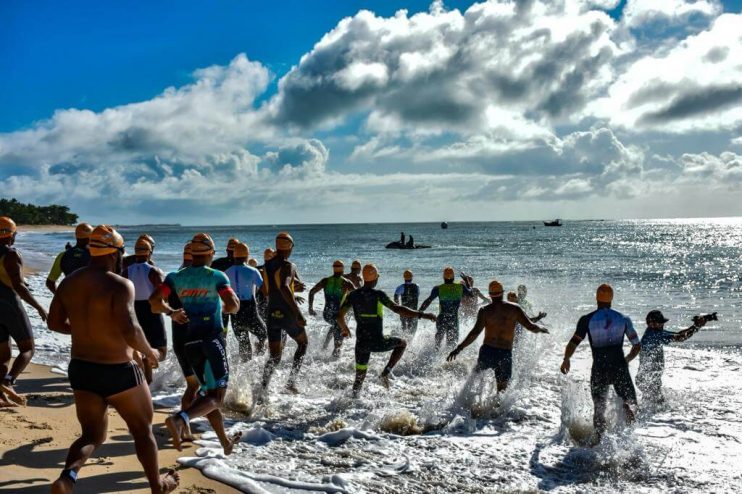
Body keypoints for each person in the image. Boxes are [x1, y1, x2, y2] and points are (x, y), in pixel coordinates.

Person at [47, 225, 179, 494]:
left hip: (82, 369)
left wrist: (86, 328)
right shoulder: (120, 284)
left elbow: (54, 323)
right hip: (119, 371)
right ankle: (158, 485)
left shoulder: (69, 282)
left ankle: (67, 478)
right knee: (142, 431)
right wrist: (151, 352)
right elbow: (131, 329)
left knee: (92, 435)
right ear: (116, 253)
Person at [149, 233, 241, 455]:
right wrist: (227, 308)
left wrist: (172, 313)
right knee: (217, 397)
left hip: (189, 340)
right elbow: (233, 304)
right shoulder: (217, 276)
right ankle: (180, 418)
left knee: (208, 395)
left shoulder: (175, 277)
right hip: (212, 339)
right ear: (210, 253)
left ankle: (224, 442)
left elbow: (154, 303)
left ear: (191, 253)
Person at [337, 264, 436, 396]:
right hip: (378, 342)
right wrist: (422, 315)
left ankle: (350, 405)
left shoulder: (353, 295)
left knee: (359, 379)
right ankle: (385, 373)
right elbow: (398, 309)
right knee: (402, 343)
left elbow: (339, 315)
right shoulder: (379, 295)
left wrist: (345, 329)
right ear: (375, 279)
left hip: (361, 344)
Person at [560, 284, 641, 444]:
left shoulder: (587, 319)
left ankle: (598, 440)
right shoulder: (623, 318)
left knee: (599, 407)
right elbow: (636, 346)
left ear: (596, 298)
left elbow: (574, 342)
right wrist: (626, 360)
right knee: (630, 403)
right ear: (612, 298)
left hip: (599, 368)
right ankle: (629, 440)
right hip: (619, 367)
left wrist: (566, 359)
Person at [447, 281, 549, 392]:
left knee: (475, 379)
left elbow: (475, 333)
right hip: (504, 353)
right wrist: (541, 329)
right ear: (502, 293)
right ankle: (497, 408)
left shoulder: (484, 310)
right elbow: (530, 326)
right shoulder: (515, 309)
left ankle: (465, 404)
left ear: (490, 294)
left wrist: (459, 348)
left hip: (487, 351)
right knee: (502, 389)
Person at [0, 217, 47, 405]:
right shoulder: (11, 254)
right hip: (9, 304)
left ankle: (1, 397)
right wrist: (39, 307)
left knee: (2, 355)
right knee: (28, 348)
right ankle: (8, 381)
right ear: (12, 233)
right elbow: (19, 286)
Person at [258, 232, 308, 398]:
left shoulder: (267, 265)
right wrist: (298, 313)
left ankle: (263, 388)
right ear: (290, 247)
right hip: (287, 313)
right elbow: (285, 287)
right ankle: (291, 382)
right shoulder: (289, 266)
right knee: (303, 344)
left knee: (274, 356)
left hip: (271, 313)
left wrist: (292, 287)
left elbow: (265, 291)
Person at [636, 310, 707, 404]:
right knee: (657, 404)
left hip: (646, 378)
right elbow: (680, 337)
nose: (663, 325)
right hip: (648, 379)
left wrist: (695, 326)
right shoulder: (655, 335)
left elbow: (678, 334)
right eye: (660, 323)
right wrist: (696, 326)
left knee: (652, 404)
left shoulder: (652, 332)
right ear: (652, 324)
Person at [123, 237, 167, 383]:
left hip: (133, 309)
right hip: (151, 310)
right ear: (149, 253)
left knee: (141, 345)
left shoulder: (126, 271)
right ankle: (148, 361)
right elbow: (164, 295)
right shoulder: (154, 271)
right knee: (161, 350)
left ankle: (146, 382)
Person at [169, 242, 199, 440]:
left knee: (194, 385)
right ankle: (183, 424)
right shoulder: (197, 278)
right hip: (194, 340)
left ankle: (186, 425)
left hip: (179, 339)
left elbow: (166, 305)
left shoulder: (174, 277)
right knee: (201, 386)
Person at [225, 242, 267, 361]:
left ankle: (244, 370)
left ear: (234, 255)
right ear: (247, 256)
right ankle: (259, 354)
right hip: (250, 311)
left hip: (235, 313)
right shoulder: (253, 271)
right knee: (264, 335)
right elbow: (265, 291)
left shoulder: (226, 272)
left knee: (243, 344)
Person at [308, 260, 355, 358]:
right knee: (339, 332)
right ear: (343, 269)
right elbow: (358, 296)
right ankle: (334, 360)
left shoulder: (325, 280)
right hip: (339, 315)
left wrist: (310, 308)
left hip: (327, 314)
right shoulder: (346, 282)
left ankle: (324, 346)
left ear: (333, 268)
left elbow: (312, 292)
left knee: (335, 325)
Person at [419, 266, 472, 350]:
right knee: (451, 345)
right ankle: (449, 362)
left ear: (443, 277)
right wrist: (466, 281)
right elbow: (470, 293)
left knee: (438, 341)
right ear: (453, 277)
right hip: (453, 320)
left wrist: (419, 312)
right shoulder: (461, 287)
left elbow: (428, 301)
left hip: (442, 318)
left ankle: (435, 356)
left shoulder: (438, 288)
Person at [46, 223, 93, 294]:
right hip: (91, 300)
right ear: (91, 237)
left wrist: (59, 297)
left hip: (70, 297)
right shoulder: (96, 255)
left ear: (76, 236)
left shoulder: (63, 255)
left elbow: (50, 282)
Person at [394, 270, 420, 335]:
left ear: (404, 277)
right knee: (413, 330)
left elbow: (395, 298)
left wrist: (398, 308)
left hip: (404, 312)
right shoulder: (417, 287)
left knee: (404, 329)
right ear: (412, 277)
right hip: (414, 312)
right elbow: (417, 295)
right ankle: (411, 343)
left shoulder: (400, 287)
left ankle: (405, 342)